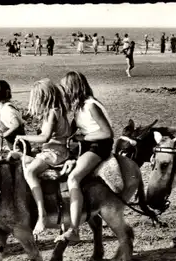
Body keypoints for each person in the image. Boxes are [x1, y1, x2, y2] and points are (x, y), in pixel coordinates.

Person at [57, 71, 114, 242]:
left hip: (99, 146)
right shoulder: (78, 107)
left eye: (65, 88)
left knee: (74, 178)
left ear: (73, 88)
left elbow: (107, 132)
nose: (63, 92)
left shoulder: (91, 106)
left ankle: (74, 229)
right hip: (86, 144)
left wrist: (84, 137)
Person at [14, 79, 71, 235]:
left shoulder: (53, 112)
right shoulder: (58, 110)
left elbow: (45, 137)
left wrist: (23, 137)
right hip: (52, 150)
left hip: (54, 153)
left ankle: (42, 214)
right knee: (19, 159)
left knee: (30, 172)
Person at [0, 80, 31, 157]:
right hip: (16, 147)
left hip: (19, 150)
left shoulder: (7, 110)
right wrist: (0, 130)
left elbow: (16, 124)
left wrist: (3, 135)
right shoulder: (5, 107)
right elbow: (8, 124)